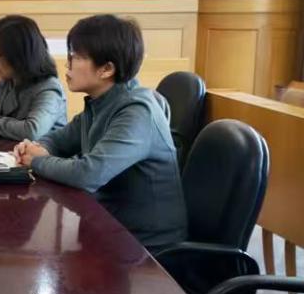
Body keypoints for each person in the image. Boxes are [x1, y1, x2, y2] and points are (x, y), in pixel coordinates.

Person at [12, 14, 187, 254]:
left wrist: (36, 160)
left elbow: (88, 173)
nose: (67, 64)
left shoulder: (136, 112)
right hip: (112, 229)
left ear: (106, 69)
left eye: (76, 56)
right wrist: (37, 147)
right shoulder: (101, 102)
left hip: (148, 248)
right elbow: (60, 139)